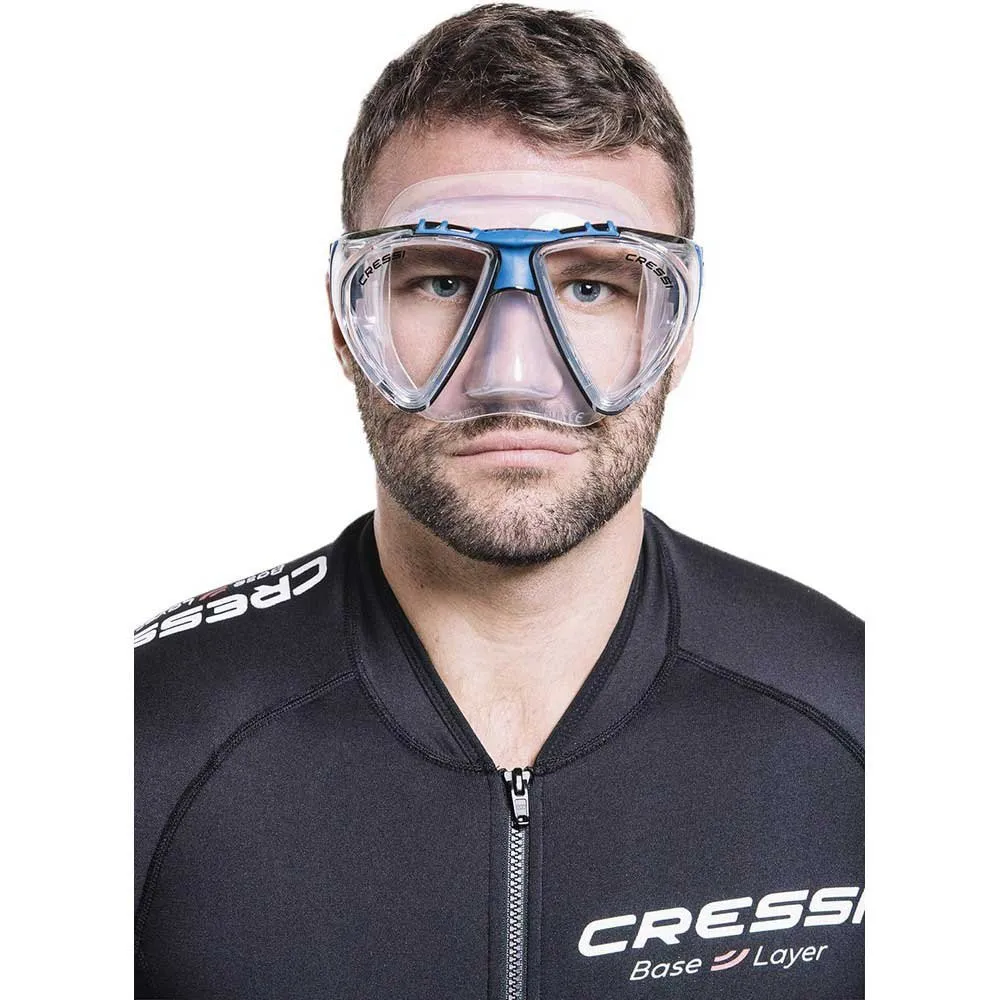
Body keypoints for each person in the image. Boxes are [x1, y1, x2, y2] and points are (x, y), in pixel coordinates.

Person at [134, 4, 864, 997]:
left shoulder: (866, 720)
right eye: (441, 281)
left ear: (679, 331)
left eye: (592, 287)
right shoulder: (141, 737)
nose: (512, 374)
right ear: (346, 324)